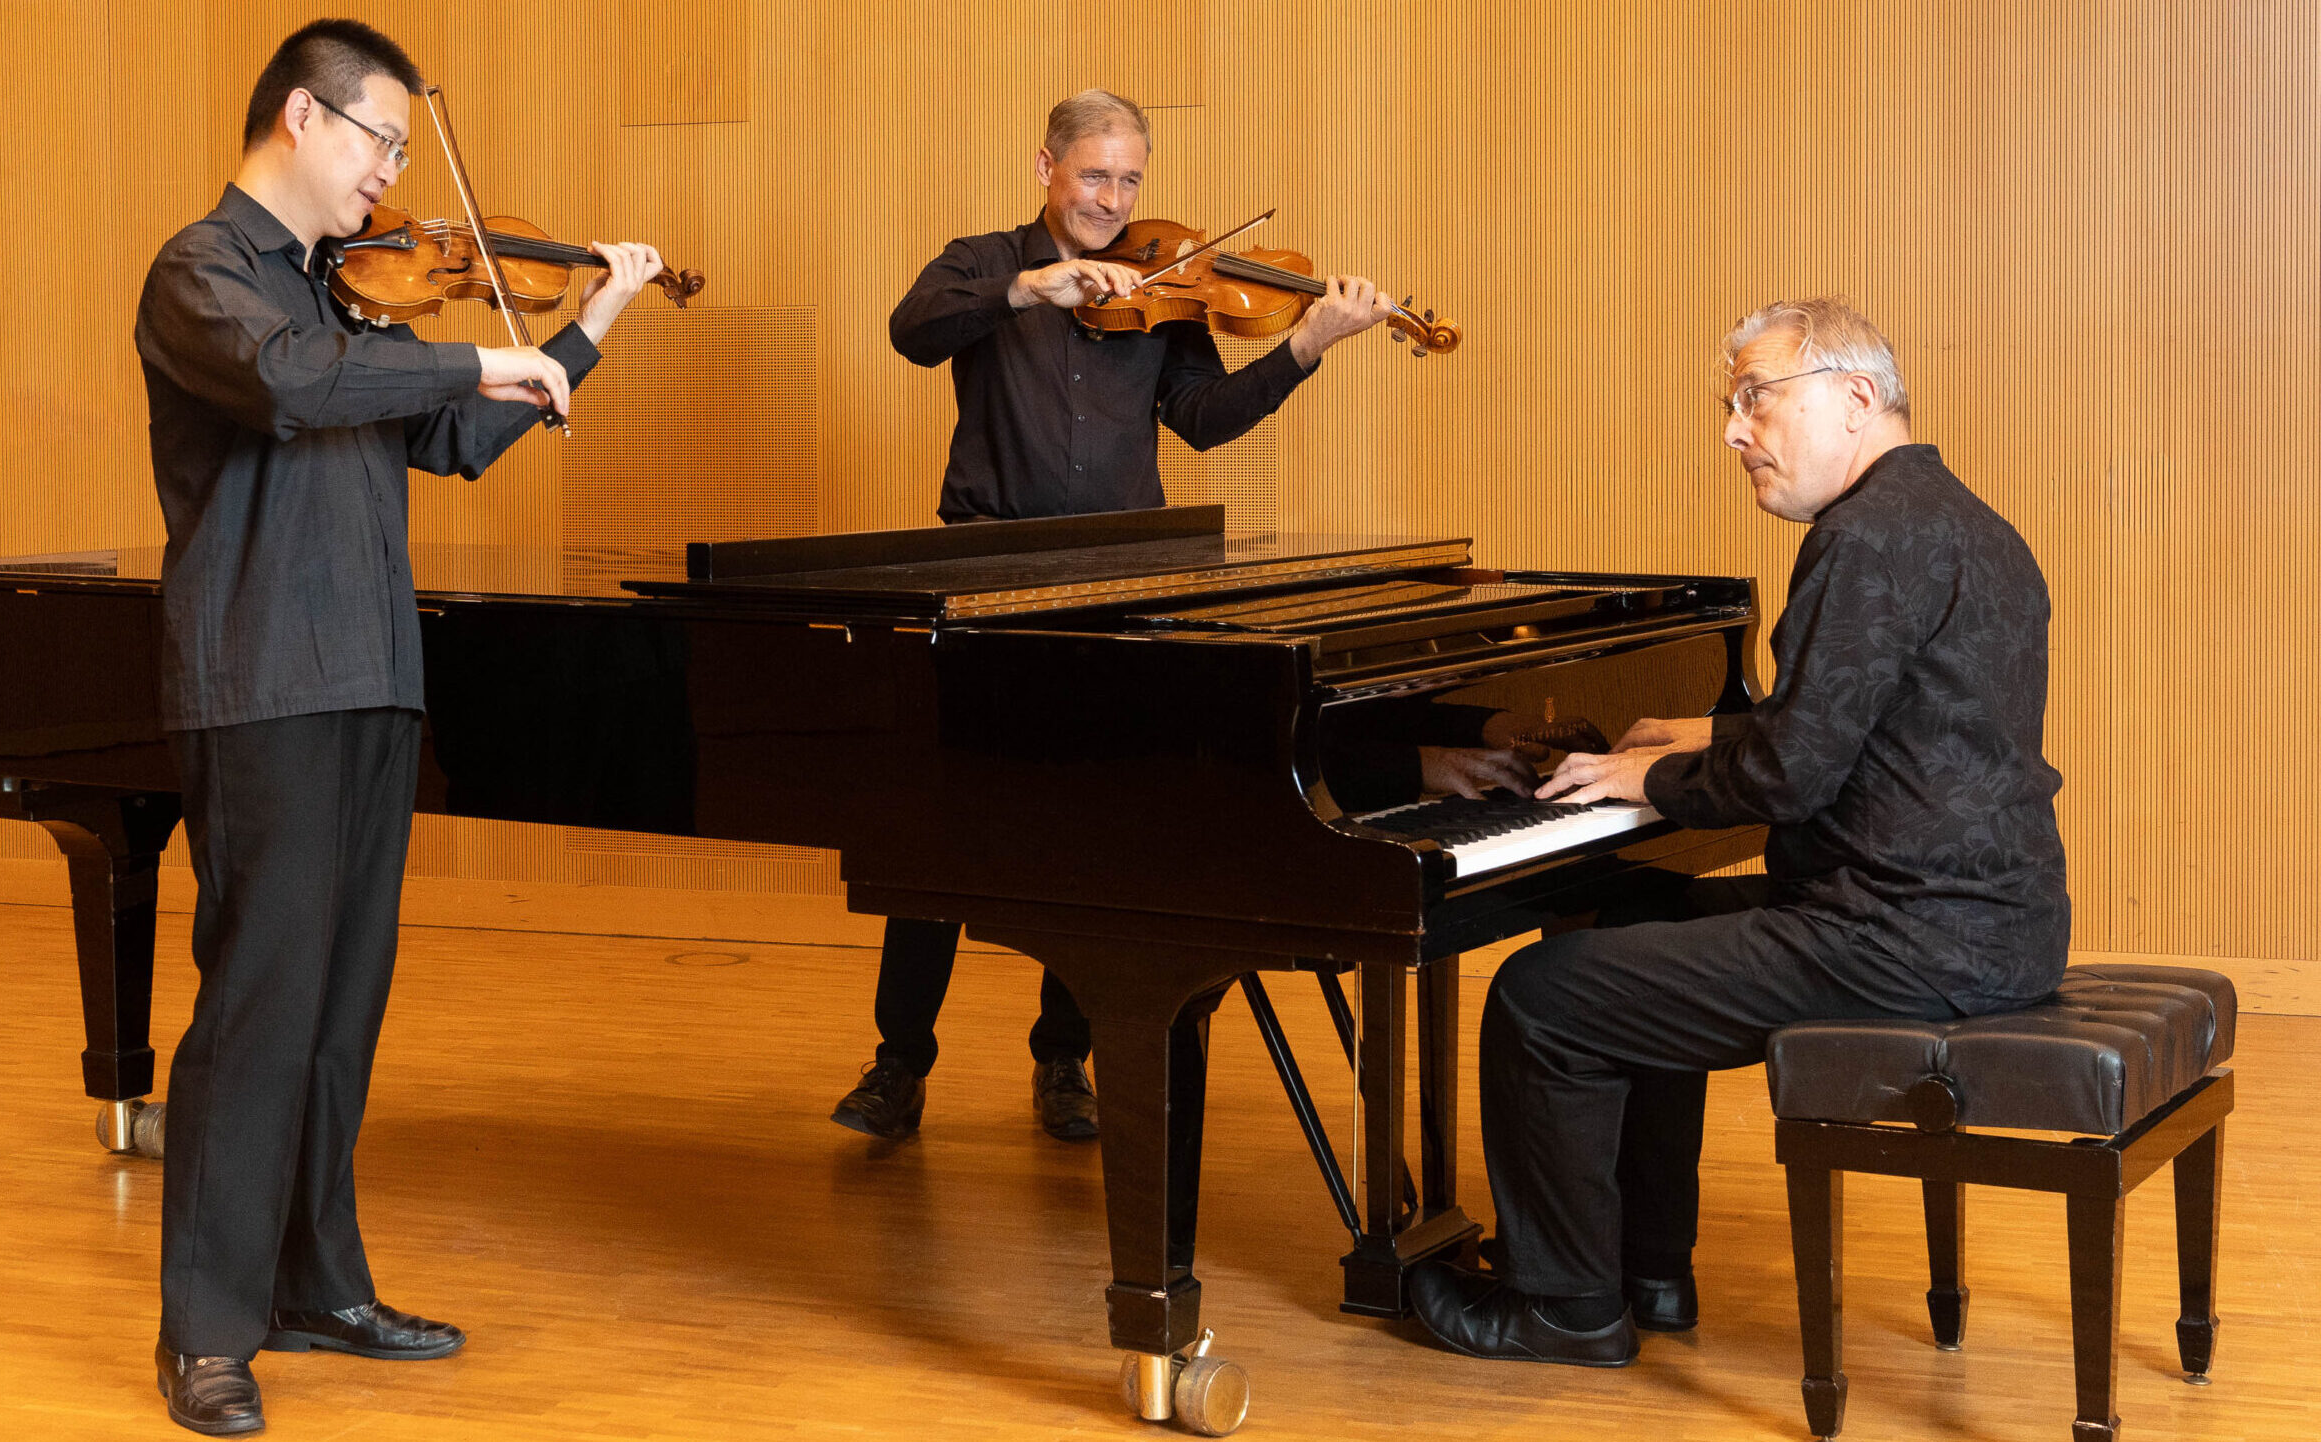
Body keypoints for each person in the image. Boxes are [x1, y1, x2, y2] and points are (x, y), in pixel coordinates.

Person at [133, 19, 666, 1435]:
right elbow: (299, 390)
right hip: (262, 681)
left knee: (339, 1009)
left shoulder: (351, 299)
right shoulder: (204, 273)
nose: (390, 177)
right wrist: (472, 360)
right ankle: (206, 1328)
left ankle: (319, 1283)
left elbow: (449, 438)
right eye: (381, 141)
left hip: (371, 675)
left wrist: (581, 333)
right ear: (304, 120)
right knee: (256, 1009)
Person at [1406, 297, 2071, 1367]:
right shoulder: (1958, 519)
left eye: (1756, 397)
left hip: (1899, 939)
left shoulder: (1862, 538)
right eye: (1728, 404)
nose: (1731, 430)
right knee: (1633, 909)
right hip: (1987, 917)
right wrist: (1715, 726)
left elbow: (1794, 773)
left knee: (1542, 1001)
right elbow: (1885, 721)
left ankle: (1563, 1306)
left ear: (1856, 398)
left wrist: (1652, 776)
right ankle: (1648, 1271)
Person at [832, 89, 1404, 1142]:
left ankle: (1063, 1061)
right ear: (1045, 165)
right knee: (935, 825)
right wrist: (1024, 289)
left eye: (1129, 179)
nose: (1111, 199)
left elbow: (1201, 419)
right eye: (1093, 174)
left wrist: (1306, 344)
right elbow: (913, 332)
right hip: (987, 578)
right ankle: (897, 1063)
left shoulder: (1166, 282)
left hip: (1122, 586)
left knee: (1088, 831)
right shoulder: (982, 260)